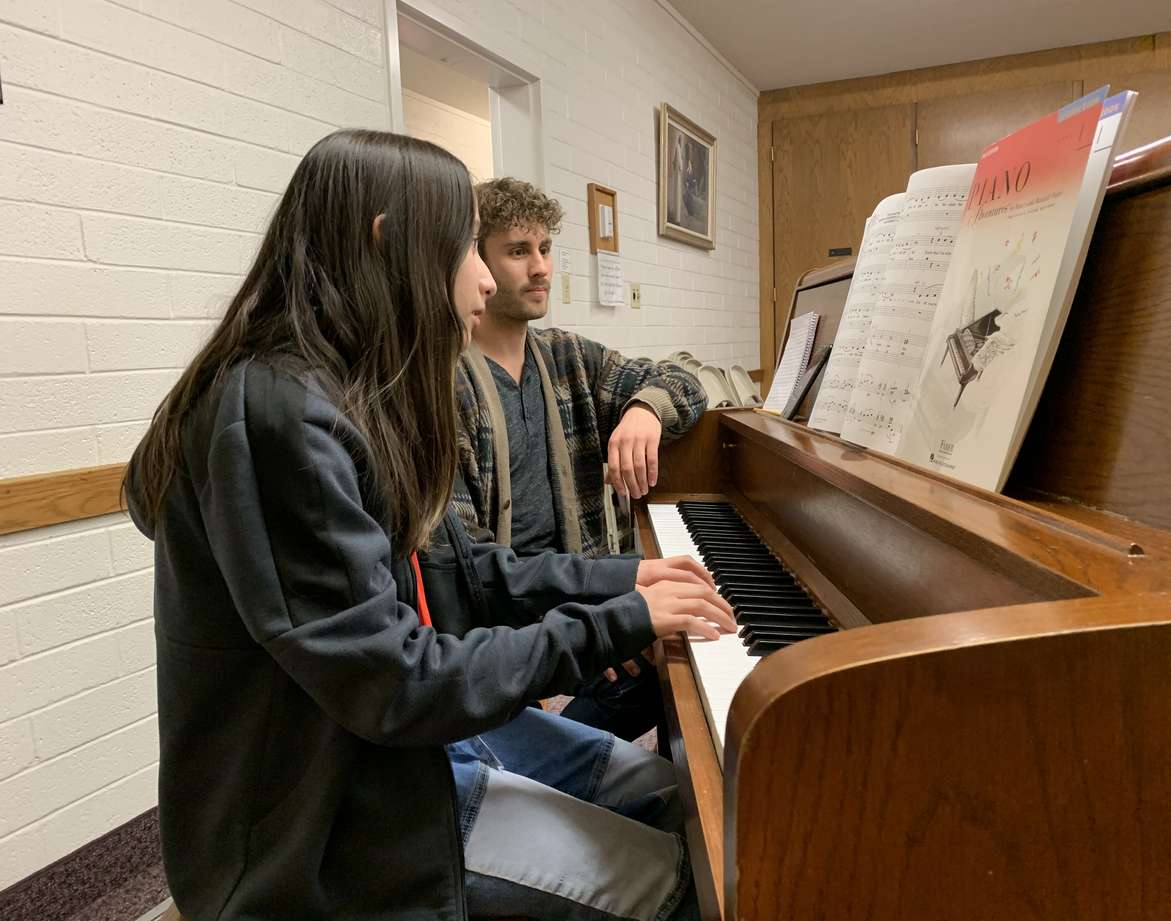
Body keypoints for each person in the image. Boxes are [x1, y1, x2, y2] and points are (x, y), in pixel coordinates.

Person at [123, 129, 734, 921]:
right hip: (338, 817)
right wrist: (611, 623)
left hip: (400, 750)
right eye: (469, 250)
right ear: (390, 241)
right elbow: (397, 682)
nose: (485, 279)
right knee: (684, 880)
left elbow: (468, 571)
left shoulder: (356, 392)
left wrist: (627, 581)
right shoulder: (279, 418)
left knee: (669, 794)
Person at [452, 177, 708, 742]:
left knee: (686, 654)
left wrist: (645, 409)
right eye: (518, 251)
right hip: (514, 643)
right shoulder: (449, 385)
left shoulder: (569, 357)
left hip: (590, 608)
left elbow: (688, 382)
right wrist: (597, 625)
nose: (541, 267)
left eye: (545, 248)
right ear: (481, 263)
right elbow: (469, 570)